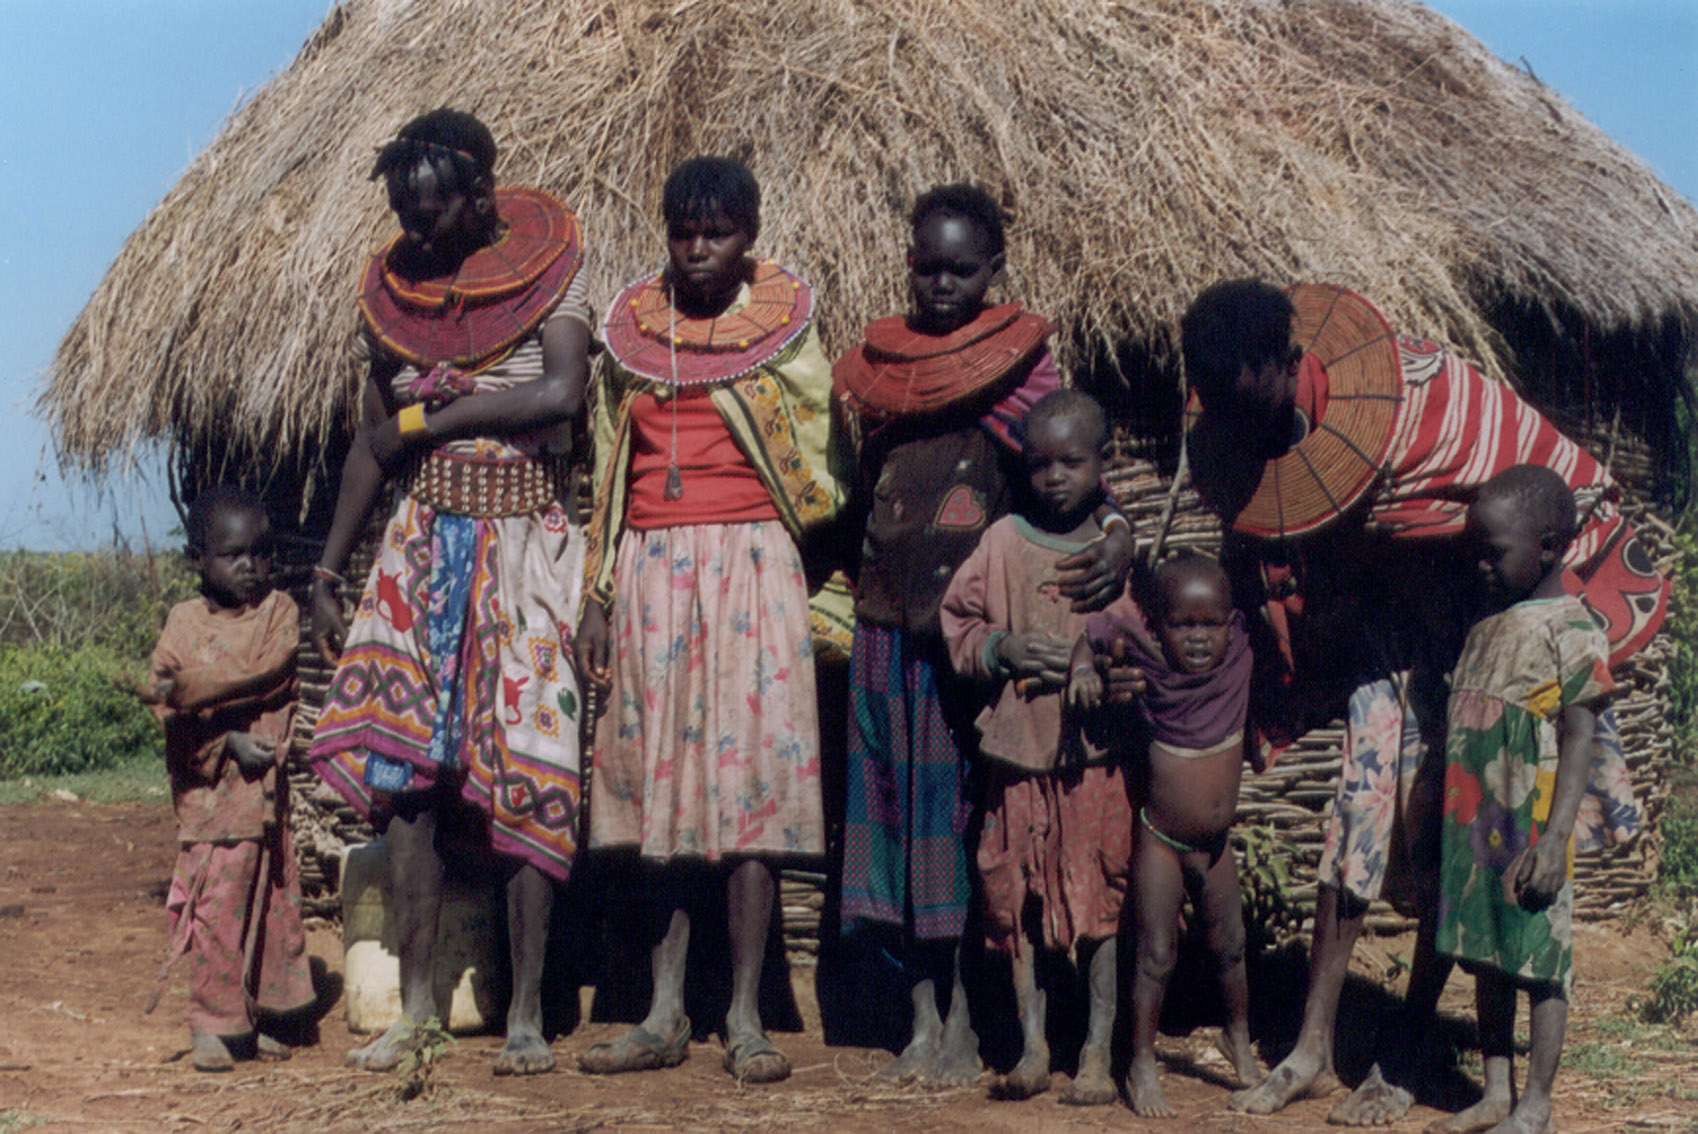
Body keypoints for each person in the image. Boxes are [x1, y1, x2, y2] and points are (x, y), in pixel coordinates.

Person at [1174, 280, 1663, 1123]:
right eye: (1223, 407)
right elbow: (1277, 548)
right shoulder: (1235, 434)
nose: (1240, 423)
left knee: (1450, 824)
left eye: (1252, 399)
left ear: (1292, 361)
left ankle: (1404, 1049)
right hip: (1385, 628)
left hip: (1477, 628)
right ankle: (1313, 1049)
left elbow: (1538, 487)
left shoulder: (1419, 398)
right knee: (1356, 811)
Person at [307, 109, 592, 1075]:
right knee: (409, 790)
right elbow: (372, 444)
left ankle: (524, 1014)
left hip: (525, 548)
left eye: (430, 214)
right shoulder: (392, 301)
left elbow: (558, 396)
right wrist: (324, 570)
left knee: (530, 769)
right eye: (402, 214)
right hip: (422, 548)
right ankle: (418, 1008)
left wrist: (438, 414)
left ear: (481, 196)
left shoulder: (555, 272)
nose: (415, 233)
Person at [832, 185, 1134, 1086]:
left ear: (995, 271)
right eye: (924, 266)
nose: (939, 284)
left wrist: (1118, 538)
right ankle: (919, 1018)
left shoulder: (1020, 372)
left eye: (961, 268)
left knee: (965, 829)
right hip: (887, 632)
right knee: (891, 824)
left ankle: (968, 1022)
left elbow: (1076, 484)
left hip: (970, 656)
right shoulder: (885, 373)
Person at [573, 156, 843, 1085]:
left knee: (748, 793)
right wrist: (599, 595)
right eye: (683, 232)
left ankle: (746, 1017)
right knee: (662, 795)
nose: (698, 249)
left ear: (750, 235)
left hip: (752, 570)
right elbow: (610, 470)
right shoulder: (632, 336)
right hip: (651, 572)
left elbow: (817, 457)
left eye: (717, 232)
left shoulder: (786, 337)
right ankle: (662, 1010)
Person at [939, 388, 1141, 1105]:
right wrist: (1004, 648)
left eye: (1072, 462)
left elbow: (1142, 644)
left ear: (1104, 463)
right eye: (1040, 464)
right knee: (1015, 896)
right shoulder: (1001, 544)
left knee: (1098, 899)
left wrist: (1102, 670)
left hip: (1092, 760)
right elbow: (957, 619)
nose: (1054, 477)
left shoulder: (1114, 556)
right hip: (1018, 754)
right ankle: (1033, 1045)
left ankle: (1095, 1052)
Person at [1429, 466, 1610, 1134]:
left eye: (1494, 552)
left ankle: (1537, 1102)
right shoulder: (1489, 622)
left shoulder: (1572, 626)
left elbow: (1580, 734)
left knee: (1539, 959)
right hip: (1477, 820)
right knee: (1487, 950)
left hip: (1531, 820)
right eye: (1474, 550)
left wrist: (1556, 839)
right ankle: (1497, 1090)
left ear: (1551, 547)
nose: (1479, 564)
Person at [138, 485, 314, 1072]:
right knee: (218, 906)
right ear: (198, 559)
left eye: (261, 553)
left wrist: (200, 697)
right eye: (234, 554)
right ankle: (211, 1026)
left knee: (265, 902)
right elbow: (168, 703)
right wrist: (226, 739)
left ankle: (247, 1018)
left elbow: (272, 673)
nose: (251, 566)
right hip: (213, 802)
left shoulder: (278, 613)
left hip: (265, 797)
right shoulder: (183, 624)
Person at [1078, 552, 1260, 1116]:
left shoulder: (1241, 661)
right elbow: (1096, 628)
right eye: (1183, 625)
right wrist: (1084, 668)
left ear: (1230, 624)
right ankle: (1140, 1060)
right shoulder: (1150, 666)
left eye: (1211, 625)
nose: (1200, 638)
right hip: (1160, 837)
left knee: (1231, 947)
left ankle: (1238, 1036)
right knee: (1156, 954)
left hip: (1217, 842)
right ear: (1159, 627)